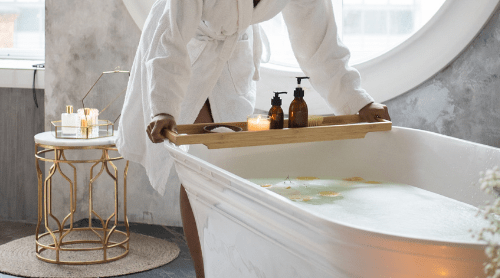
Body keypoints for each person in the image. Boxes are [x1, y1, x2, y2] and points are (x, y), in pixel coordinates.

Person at [117, 0, 391, 277]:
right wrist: (163, 105)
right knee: (201, 167)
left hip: (233, 54)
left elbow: (319, 43)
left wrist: (357, 101)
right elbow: (170, 36)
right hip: (181, 52)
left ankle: (232, 265)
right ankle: (204, 272)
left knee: (230, 168)